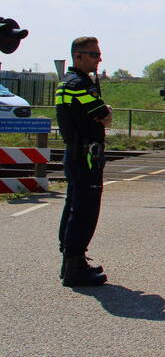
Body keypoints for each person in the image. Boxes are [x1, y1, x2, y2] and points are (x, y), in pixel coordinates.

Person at [55, 36, 112, 287]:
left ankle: (70, 259)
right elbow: (104, 115)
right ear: (78, 56)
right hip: (86, 154)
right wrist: (105, 111)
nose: (99, 59)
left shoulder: (64, 83)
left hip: (75, 152)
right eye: (94, 54)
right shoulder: (80, 84)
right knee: (85, 210)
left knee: (74, 205)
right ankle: (75, 266)